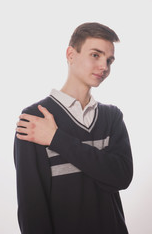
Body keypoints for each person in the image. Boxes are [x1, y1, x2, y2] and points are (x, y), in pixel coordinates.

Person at [14, 22, 133, 234]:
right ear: (71, 54)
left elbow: (121, 177)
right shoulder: (34, 119)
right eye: (95, 55)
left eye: (109, 60)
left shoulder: (112, 117)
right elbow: (32, 208)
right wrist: (100, 163)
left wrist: (56, 138)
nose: (104, 67)